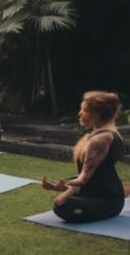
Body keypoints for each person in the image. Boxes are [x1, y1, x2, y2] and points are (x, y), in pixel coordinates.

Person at [42, 91, 126, 223]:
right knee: (61, 202)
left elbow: (83, 179)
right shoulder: (103, 134)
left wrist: (66, 189)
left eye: (85, 110)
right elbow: (92, 179)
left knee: (61, 205)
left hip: (109, 201)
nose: (80, 113)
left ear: (97, 115)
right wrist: (57, 186)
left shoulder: (100, 139)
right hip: (100, 193)